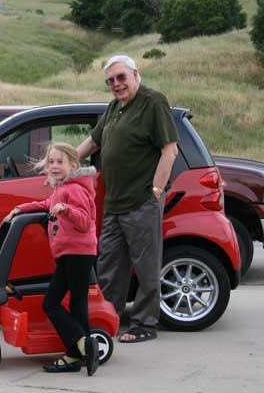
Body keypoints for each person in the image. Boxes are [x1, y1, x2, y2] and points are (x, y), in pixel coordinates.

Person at [77, 55, 178, 343]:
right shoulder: (114, 108)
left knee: (146, 267)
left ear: (135, 73)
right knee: (109, 266)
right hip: (114, 204)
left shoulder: (153, 102)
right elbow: (94, 142)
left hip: (141, 201)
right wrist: (66, 160)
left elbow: (169, 150)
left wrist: (155, 193)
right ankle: (107, 319)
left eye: (121, 77)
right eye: (110, 80)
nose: (116, 84)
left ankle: (145, 323)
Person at [5, 142, 100, 376]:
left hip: (78, 252)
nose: (55, 166)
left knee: (56, 303)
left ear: (73, 165)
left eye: (60, 162)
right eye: (51, 162)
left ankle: (81, 344)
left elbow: (86, 221)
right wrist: (21, 208)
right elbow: (47, 205)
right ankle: (79, 351)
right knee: (72, 303)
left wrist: (66, 210)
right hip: (68, 253)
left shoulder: (75, 189)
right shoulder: (62, 187)